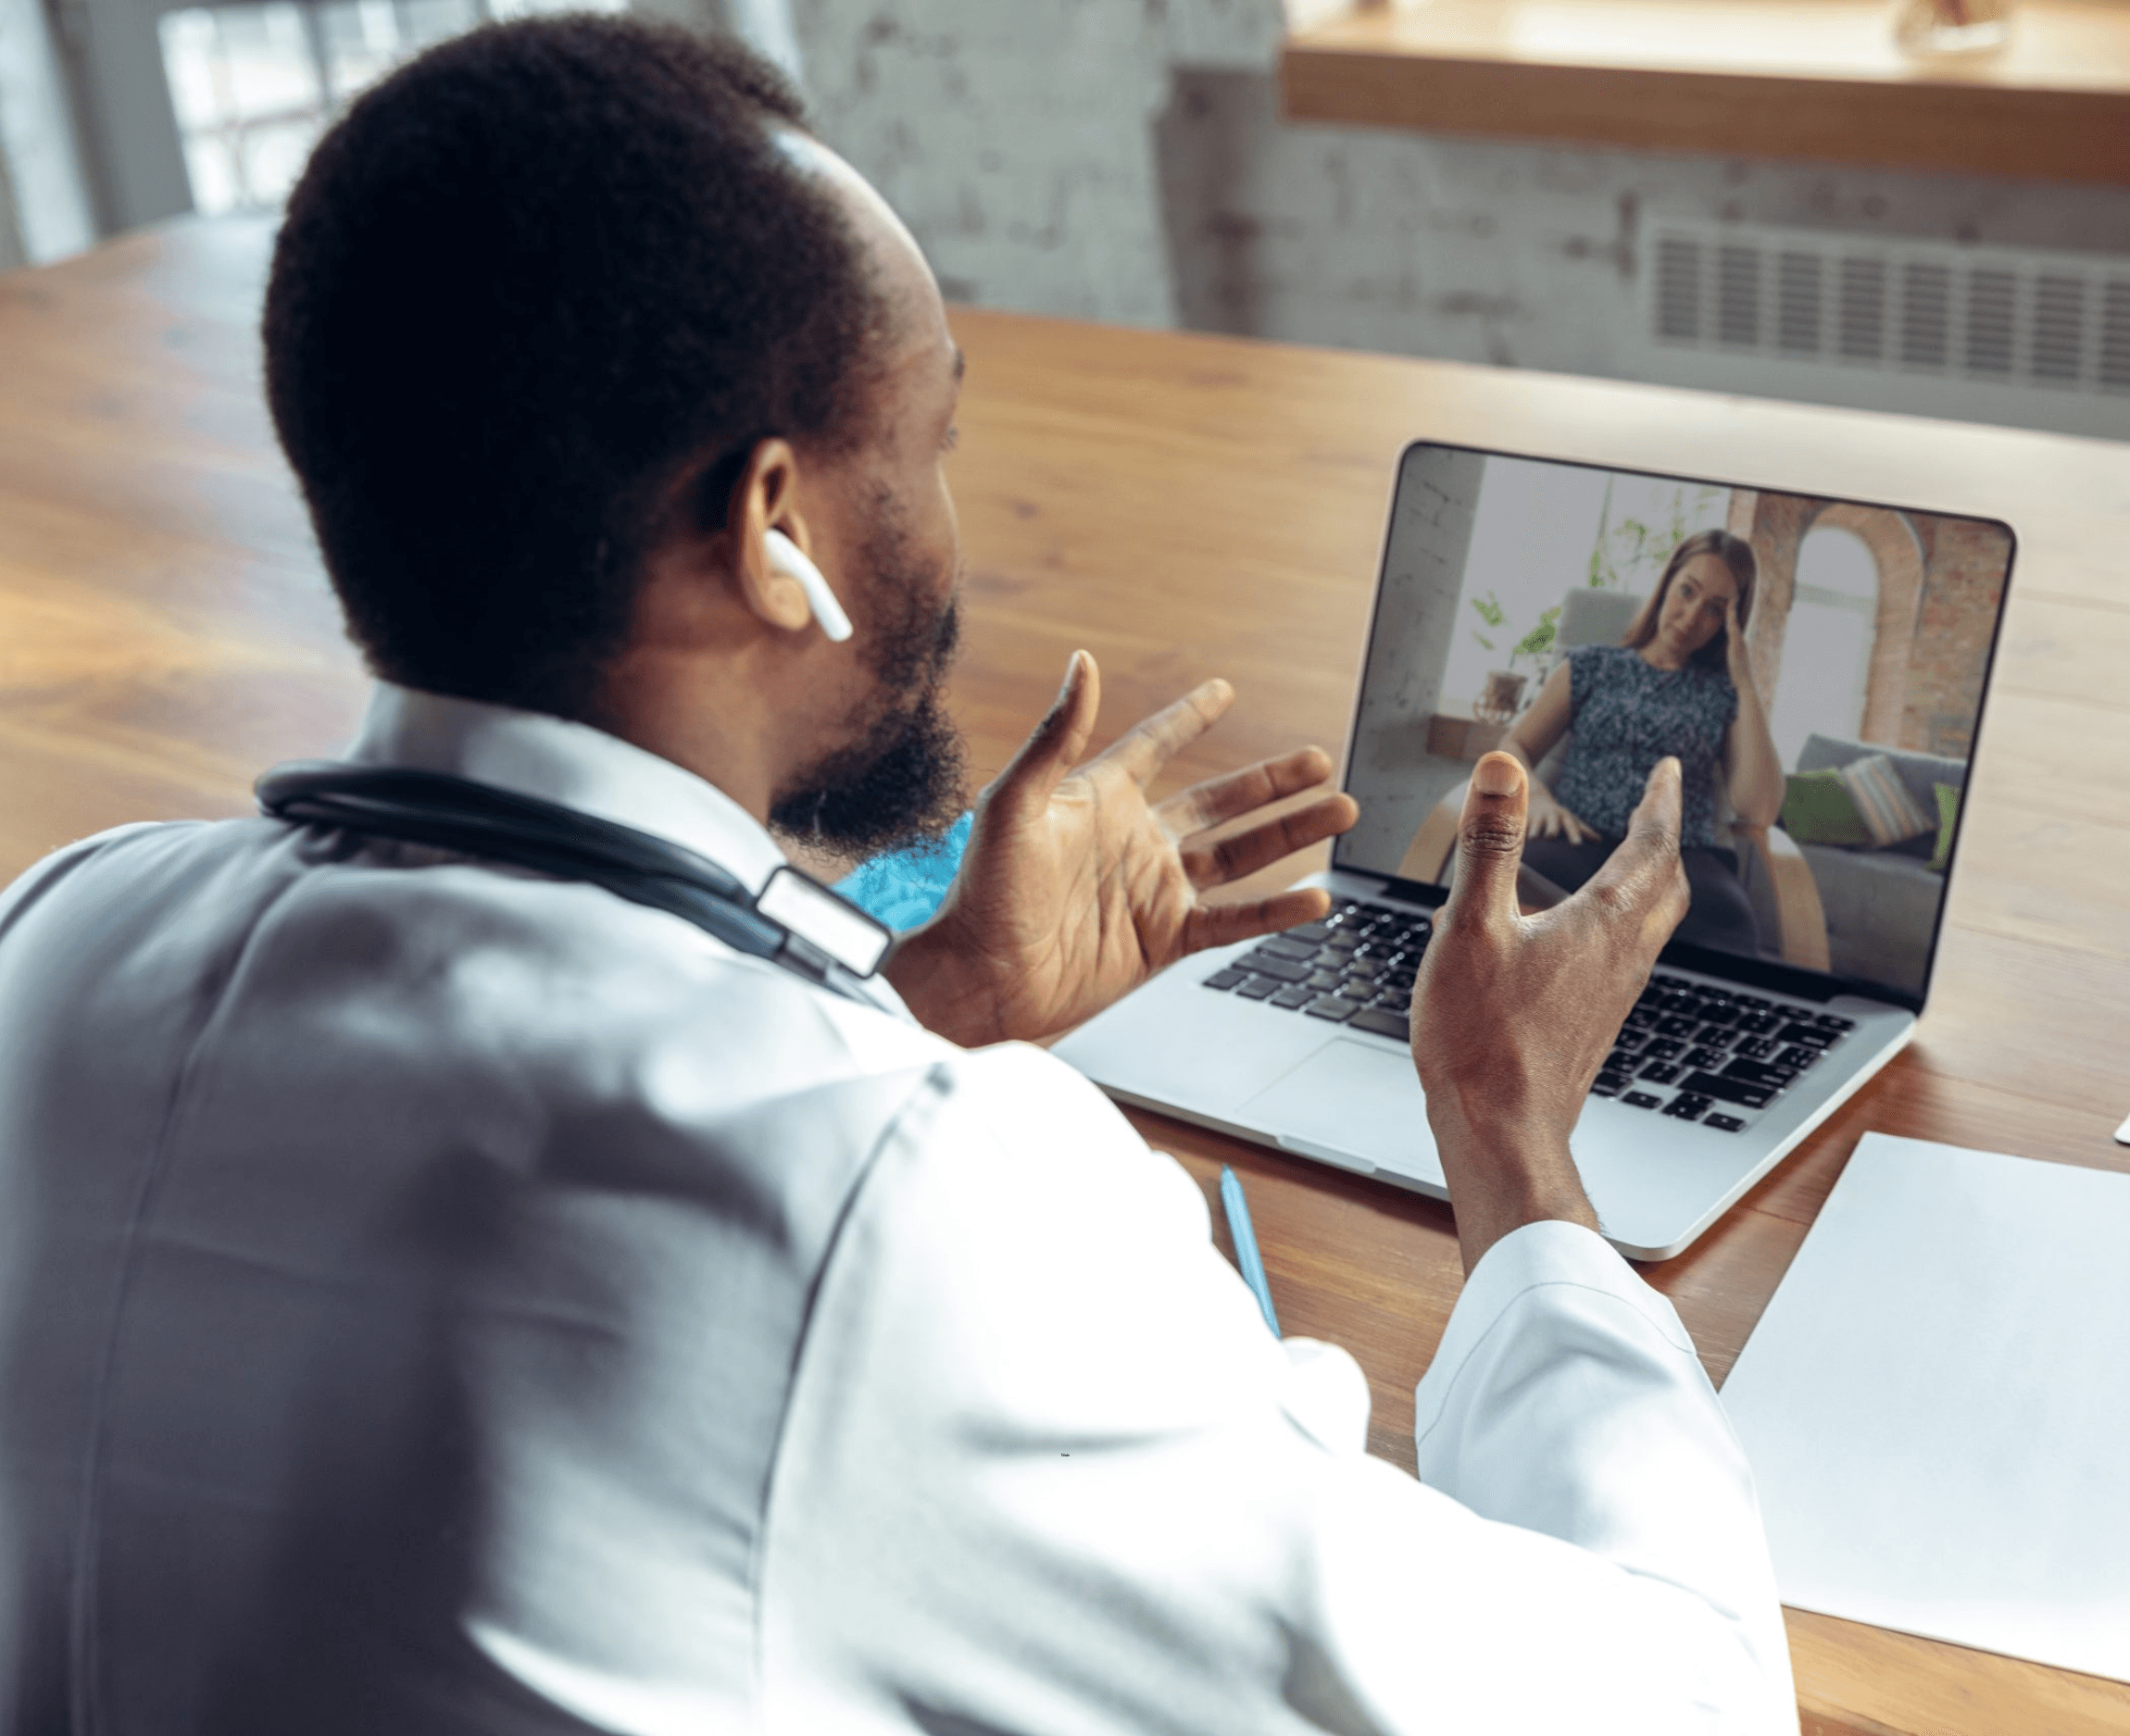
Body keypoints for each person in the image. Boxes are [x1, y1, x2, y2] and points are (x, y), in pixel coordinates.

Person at [0, 19, 1795, 1734]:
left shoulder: (60, 934)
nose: (952, 523)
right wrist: (1505, 1127)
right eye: (931, 443)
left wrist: (928, 1002)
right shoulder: (905, 1208)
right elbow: (1685, 1705)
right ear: (773, 527)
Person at [1505, 530, 1787, 955]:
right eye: (1687, 591)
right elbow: (1513, 747)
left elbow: (1759, 809)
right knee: (1516, 889)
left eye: (1714, 609)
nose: (1691, 616)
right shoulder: (1591, 666)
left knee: (1731, 928)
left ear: (1728, 625)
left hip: (1681, 859)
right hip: (1579, 839)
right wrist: (1538, 799)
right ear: (1666, 583)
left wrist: (1744, 681)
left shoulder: (1723, 695)